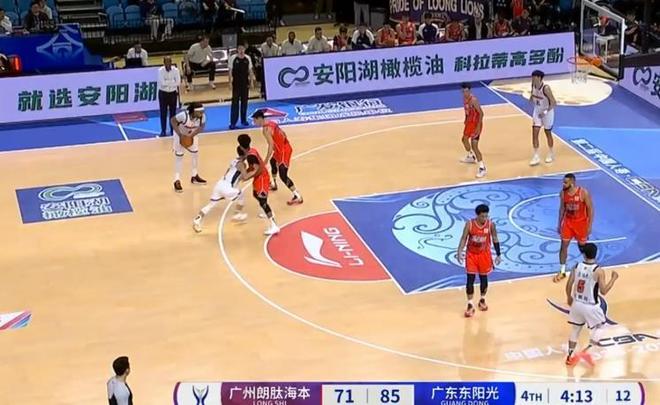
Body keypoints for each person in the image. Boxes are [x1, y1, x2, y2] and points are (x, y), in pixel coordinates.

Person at [564, 243, 618, 366]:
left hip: (577, 303)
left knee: (575, 330)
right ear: (596, 254)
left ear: (583, 254)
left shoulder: (576, 266)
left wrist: (568, 297)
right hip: (590, 306)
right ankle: (586, 351)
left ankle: (570, 356)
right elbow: (604, 291)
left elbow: (569, 284)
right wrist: (613, 279)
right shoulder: (598, 270)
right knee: (601, 327)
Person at [457, 204, 502, 318]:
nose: (484, 219)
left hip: (484, 255)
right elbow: (463, 238)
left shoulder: (490, 225)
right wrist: (459, 251)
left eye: (486, 216)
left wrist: (498, 254)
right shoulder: (470, 224)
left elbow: (495, 238)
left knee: (483, 279)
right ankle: (470, 304)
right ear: (477, 215)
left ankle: (482, 299)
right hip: (471, 255)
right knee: (470, 279)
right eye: (482, 216)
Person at [252, 109, 303, 205]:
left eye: (255, 120)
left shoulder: (266, 130)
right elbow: (283, 133)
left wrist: (265, 160)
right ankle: (274, 184)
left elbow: (270, 146)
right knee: (273, 161)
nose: (254, 123)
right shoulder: (272, 123)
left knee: (283, 175)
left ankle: (298, 196)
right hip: (282, 149)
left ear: (259, 119)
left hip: (283, 151)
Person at [193, 146, 249, 232]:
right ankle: (237, 214)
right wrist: (255, 171)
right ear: (245, 153)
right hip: (227, 187)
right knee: (241, 194)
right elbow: (245, 177)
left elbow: (233, 174)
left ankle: (197, 220)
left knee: (211, 205)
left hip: (220, 184)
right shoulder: (242, 164)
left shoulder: (233, 161)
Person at [237, 134, 280, 235]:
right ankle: (267, 211)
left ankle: (274, 225)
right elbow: (253, 167)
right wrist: (246, 173)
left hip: (262, 177)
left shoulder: (250, 156)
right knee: (255, 194)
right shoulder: (252, 151)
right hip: (260, 176)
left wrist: (246, 176)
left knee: (263, 201)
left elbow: (256, 170)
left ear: (241, 146)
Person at [554, 173, 593, 282]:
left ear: (572, 182)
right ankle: (562, 271)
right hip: (568, 223)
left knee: (583, 247)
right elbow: (562, 209)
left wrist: (589, 225)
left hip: (581, 224)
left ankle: (589, 269)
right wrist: (559, 224)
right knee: (563, 246)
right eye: (563, 182)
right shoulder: (563, 193)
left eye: (565, 182)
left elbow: (590, 209)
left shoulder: (583, 192)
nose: (563, 184)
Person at [170, 103, 207, 192]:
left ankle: (194, 176)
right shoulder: (183, 115)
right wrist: (180, 135)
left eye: (203, 111)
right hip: (179, 134)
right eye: (200, 112)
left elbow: (201, 127)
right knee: (179, 156)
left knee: (195, 154)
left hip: (191, 134)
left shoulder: (202, 117)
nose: (202, 113)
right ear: (194, 111)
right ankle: (176, 180)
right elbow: (173, 121)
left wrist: (191, 136)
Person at [529, 69, 557, 165]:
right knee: (535, 132)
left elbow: (553, 103)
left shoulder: (546, 88)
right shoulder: (533, 85)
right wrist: (531, 98)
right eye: (532, 77)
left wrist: (544, 112)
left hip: (547, 112)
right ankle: (536, 156)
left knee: (547, 133)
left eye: (534, 77)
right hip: (537, 111)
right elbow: (532, 95)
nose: (532, 79)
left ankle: (551, 153)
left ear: (539, 78)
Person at [459, 83, 487, 178]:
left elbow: (481, 114)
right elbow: (467, 111)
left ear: (470, 91)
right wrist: (466, 119)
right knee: (464, 139)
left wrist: (478, 128)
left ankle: (482, 168)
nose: (465, 93)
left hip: (476, 124)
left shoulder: (474, 100)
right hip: (469, 124)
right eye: (463, 91)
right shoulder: (464, 99)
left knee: (475, 146)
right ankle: (471, 156)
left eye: (467, 91)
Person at [228, 44, 255, 130]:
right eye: (239, 49)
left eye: (242, 49)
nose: (241, 50)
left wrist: (251, 82)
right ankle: (233, 123)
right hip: (236, 83)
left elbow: (250, 71)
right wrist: (230, 82)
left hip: (245, 83)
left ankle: (244, 120)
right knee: (235, 103)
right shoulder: (233, 58)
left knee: (244, 103)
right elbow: (230, 71)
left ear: (244, 49)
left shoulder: (248, 58)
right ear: (237, 50)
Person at [157, 56, 180, 137]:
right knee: (163, 113)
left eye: (169, 61)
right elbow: (162, 83)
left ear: (171, 62)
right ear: (164, 63)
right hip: (163, 94)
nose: (168, 63)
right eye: (166, 62)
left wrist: (168, 82)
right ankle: (163, 131)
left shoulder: (176, 70)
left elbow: (178, 82)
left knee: (173, 113)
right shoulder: (160, 71)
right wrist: (172, 82)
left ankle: (173, 130)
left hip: (173, 94)